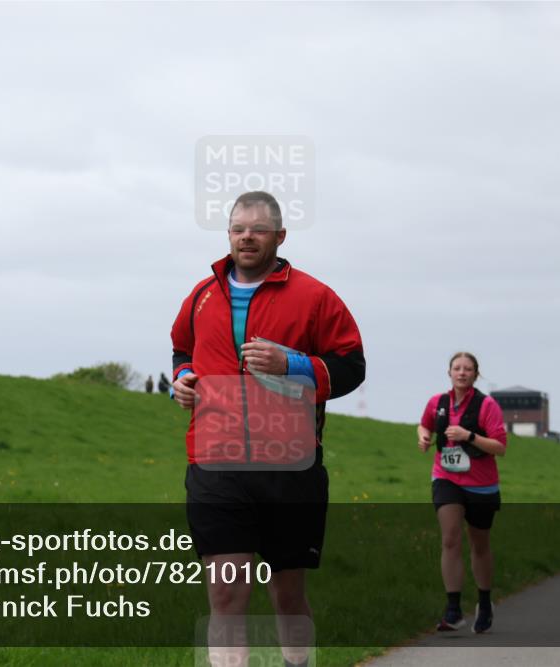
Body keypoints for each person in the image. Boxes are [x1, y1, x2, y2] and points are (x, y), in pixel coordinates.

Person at [170, 191, 365, 667]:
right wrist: (182, 379)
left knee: (288, 595)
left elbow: (352, 367)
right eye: (238, 229)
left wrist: (292, 364)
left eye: (257, 229)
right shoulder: (202, 295)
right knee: (225, 596)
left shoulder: (315, 296)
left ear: (280, 236)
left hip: (289, 468)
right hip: (217, 466)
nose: (246, 237)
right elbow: (182, 350)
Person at [417, 352, 507, 634]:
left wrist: (469, 436)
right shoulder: (437, 402)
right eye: (457, 368)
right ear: (450, 373)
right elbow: (425, 424)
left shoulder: (487, 405)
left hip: (481, 484)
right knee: (450, 539)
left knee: (479, 545)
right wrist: (422, 436)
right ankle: (453, 610)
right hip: (446, 478)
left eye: (468, 369)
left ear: (475, 375)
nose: (462, 373)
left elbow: (500, 447)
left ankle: (484, 601)